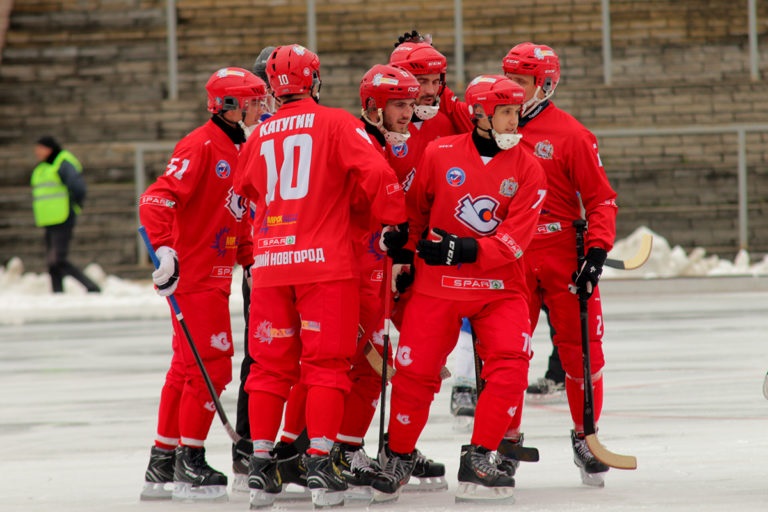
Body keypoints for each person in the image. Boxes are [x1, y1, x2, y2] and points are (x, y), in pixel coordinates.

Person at [234, 44, 408, 510]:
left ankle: (260, 465)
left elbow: (244, 188)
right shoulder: (337, 123)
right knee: (326, 365)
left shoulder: (260, 133)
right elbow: (377, 174)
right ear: (313, 81)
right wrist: (395, 220)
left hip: (272, 264)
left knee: (269, 368)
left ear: (273, 87)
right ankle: (318, 462)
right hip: (325, 265)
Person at [372, 75, 546, 503]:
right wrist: (406, 257)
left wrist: (462, 248)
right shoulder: (440, 152)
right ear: (480, 114)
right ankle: (398, 454)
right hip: (438, 286)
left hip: (500, 286)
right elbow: (417, 213)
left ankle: (480, 455)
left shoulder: (529, 167)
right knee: (415, 373)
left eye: (516, 111)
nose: (515, 120)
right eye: (506, 112)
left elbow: (514, 241)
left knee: (511, 365)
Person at [138, 66, 265, 501]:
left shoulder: (241, 146)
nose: (260, 109)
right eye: (252, 103)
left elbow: (235, 216)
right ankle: (189, 459)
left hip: (215, 274)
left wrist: (252, 259)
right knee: (211, 366)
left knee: (185, 368)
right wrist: (164, 249)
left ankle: (162, 459)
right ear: (228, 106)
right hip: (193, 274)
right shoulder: (201, 144)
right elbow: (156, 197)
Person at [501, 42, 618, 486]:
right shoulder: (492, 127)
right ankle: (504, 440)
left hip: (562, 253)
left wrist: (597, 252)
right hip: (510, 254)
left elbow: (601, 199)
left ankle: (586, 436)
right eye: (508, 78)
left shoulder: (572, 135)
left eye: (521, 81)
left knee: (582, 352)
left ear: (545, 85)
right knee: (505, 353)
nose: (512, 89)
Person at [231, 45, 277, 494]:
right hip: (265, 256)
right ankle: (249, 446)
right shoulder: (252, 134)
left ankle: (292, 444)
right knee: (262, 352)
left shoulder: (290, 125)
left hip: (293, 254)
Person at [30, 136, 101, 294]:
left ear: (48, 148)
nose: (36, 152)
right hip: (48, 218)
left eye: (39, 148)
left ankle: (91, 286)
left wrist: (75, 205)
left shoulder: (62, 163)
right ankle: (57, 292)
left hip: (63, 216)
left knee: (58, 258)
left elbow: (78, 187)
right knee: (51, 261)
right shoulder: (43, 167)